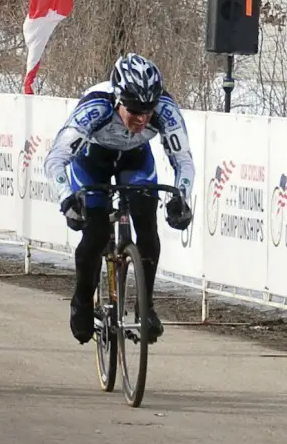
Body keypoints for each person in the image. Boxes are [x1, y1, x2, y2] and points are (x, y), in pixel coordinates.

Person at [44, 53, 194, 345]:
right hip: (92, 160)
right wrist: (67, 200)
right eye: (135, 111)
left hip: (135, 159)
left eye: (147, 112)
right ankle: (82, 301)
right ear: (118, 100)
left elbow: (183, 161)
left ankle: (145, 306)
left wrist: (181, 198)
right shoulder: (96, 107)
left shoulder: (165, 109)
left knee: (147, 225)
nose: (141, 119)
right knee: (96, 233)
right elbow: (56, 159)